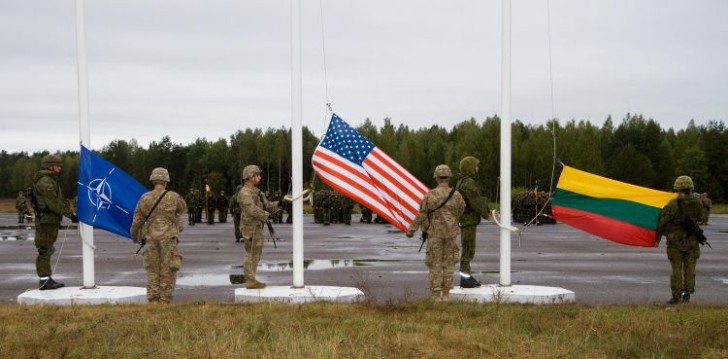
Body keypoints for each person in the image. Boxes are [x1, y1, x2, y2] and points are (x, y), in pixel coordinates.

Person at [406, 164, 465, 302]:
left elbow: (422, 214)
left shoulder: (430, 195)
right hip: (451, 233)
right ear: (449, 177)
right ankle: (446, 294)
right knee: (449, 263)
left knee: (435, 263)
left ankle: (435, 295)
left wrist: (412, 229)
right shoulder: (456, 195)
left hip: (435, 233)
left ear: (436, 178)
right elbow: (461, 210)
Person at [130, 167, 186, 304]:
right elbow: (182, 208)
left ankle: (153, 299)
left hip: (151, 238)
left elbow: (137, 221)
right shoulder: (173, 196)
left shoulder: (145, 198)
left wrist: (134, 235)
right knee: (168, 268)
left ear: (153, 181)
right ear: (166, 181)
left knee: (153, 269)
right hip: (168, 238)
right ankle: (165, 299)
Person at [656, 175, 704, 305]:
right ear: (691, 188)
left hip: (675, 242)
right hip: (692, 241)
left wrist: (657, 237)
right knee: (690, 269)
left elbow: (662, 221)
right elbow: (701, 218)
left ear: (677, 188)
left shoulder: (672, 204)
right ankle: (687, 294)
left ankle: (676, 296)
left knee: (676, 269)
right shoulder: (698, 202)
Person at [33, 154, 78, 290]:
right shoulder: (46, 182)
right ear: (50, 166)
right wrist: (70, 214)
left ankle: (46, 279)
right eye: (57, 165)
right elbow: (53, 203)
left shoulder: (50, 180)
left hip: (50, 220)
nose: (60, 168)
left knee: (47, 249)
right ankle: (45, 281)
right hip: (46, 221)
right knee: (45, 250)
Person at [239, 165, 278, 289]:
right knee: (250, 253)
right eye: (257, 175)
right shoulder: (244, 193)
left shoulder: (257, 192)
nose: (259, 178)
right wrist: (265, 215)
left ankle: (252, 278)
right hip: (249, 227)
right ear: (250, 177)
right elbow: (251, 210)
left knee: (256, 253)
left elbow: (267, 205)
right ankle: (250, 280)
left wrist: (281, 203)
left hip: (257, 226)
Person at [455, 156, 490, 288]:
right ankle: (465, 278)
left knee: (468, 249)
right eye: (475, 166)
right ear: (470, 168)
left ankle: (466, 277)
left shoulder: (461, 182)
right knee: (468, 249)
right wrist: (487, 214)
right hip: (468, 220)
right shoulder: (468, 182)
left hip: (465, 220)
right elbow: (476, 201)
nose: (477, 168)